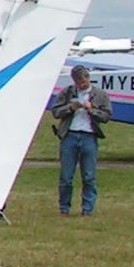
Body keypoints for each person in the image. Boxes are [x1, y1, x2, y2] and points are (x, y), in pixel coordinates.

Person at [52, 65, 111, 216]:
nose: (81, 85)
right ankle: (64, 208)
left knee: (89, 176)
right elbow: (56, 112)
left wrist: (92, 111)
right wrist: (70, 108)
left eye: (83, 82)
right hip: (69, 136)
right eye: (78, 83)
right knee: (66, 176)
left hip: (89, 137)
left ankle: (87, 209)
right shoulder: (67, 92)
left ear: (88, 78)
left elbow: (106, 116)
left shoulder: (100, 94)